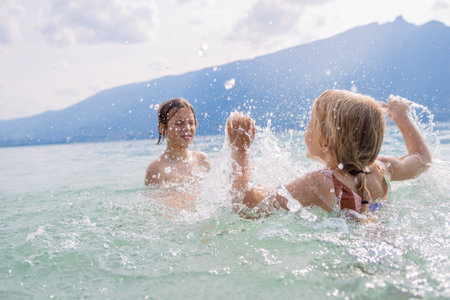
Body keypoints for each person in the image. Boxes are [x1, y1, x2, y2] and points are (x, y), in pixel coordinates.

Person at [226, 90, 432, 217]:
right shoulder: (382, 169)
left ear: (325, 142)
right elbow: (423, 160)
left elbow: (247, 206)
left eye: (310, 125)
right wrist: (402, 117)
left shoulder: (319, 183)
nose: (306, 131)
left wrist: (240, 150)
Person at [145, 98, 210, 186]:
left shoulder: (202, 159)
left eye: (191, 123)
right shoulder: (156, 168)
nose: (187, 128)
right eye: (179, 123)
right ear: (162, 128)